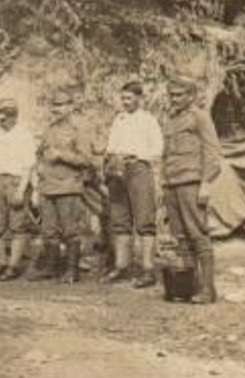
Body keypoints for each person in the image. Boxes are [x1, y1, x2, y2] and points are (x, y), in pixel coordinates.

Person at [161, 76, 224, 305]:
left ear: (191, 95)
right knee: (180, 238)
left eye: (179, 95)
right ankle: (188, 287)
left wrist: (206, 183)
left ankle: (208, 289)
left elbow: (213, 153)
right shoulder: (170, 119)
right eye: (172, 95)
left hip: (191, 183)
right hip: (171, 183)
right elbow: (166, 155)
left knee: (198, 235)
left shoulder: (200, 117)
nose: (174, 99)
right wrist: (163, 183)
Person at [102, 81, 163, 287]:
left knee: (145, 220)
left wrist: (134, 155)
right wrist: (111, 161)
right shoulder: (118, 120)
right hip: (117, 170)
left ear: (139, 98)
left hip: (139, 168)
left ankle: (147, 269)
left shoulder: (148, 120)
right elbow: (110, 146)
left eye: (129, 98)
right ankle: (122, 266)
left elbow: (158, 149)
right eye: (123, 98)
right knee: (120, 219)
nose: (125, 102)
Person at [33, 88, 95, 284]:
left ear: (70, 107)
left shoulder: (79, 132)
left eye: (60, 105)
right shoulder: (48, 130)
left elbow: (87, 160)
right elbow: (39, 155)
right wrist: (40, 169)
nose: (56, 109)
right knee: (49, 230)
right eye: (54, 105)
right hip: (48, 186)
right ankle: (51, 268)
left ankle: (72, 271)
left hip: (68, 186)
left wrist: (62, 155)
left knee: (70, 230)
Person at [0, 98, 38, 280]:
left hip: (17, 181)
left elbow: (29, 165)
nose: (2, 119)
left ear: (14, 115)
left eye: (6, 115)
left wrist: (22, 190)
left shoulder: (24, 135)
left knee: (18, 225)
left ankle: (13, 266)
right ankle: (1, 262)